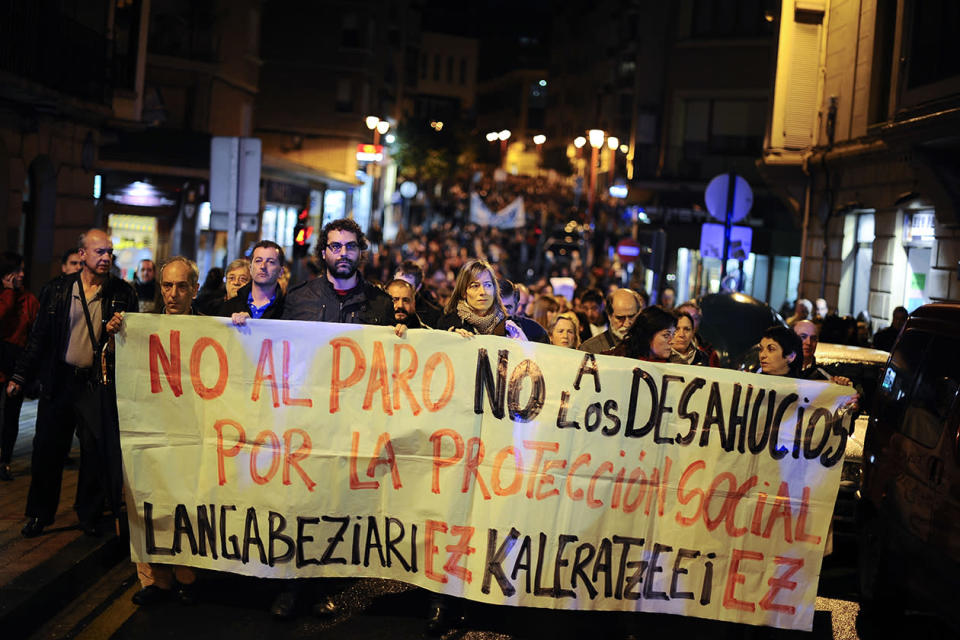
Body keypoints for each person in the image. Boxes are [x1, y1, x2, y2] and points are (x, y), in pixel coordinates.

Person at [277, 218, 394, 619]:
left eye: (349, 246)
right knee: (299, 502)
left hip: (356, 425)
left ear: (361, 251)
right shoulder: (298, 299)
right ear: (323, 253)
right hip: (306, 421)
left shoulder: (380, 304)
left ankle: (325, 585)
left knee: (338, 507)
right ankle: (292, 587)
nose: (342, 253)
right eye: (334, 247)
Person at [9, 229, 136, 538]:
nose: (106, 257)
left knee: (93, 451)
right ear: (82, 255)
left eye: (109, 252)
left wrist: (120, 329)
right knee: (47, 451)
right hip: (60, 380)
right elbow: (39, 338)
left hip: (96, 383)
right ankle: (40, 515)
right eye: (99, 252)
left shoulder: (122, 293)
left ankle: (89, 514)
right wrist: (20, 376)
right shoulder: (57, 290)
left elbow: (134, 342)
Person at [131, 257, 200, 605]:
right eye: (167, 286)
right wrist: (118, 335)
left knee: (185, 507)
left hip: (192, 436)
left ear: (194, 290)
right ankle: (155, 582)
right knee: (151, 505)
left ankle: (188, 577)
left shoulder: (212, 330)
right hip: (154, 434)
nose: (173, 294)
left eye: (182, 286)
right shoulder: (145, 329)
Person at [0, 252, 39, 480]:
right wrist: (7, 293)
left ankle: (5, 460)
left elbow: (34, 336)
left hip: (16, 367)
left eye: (23, 270)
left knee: (11, 416)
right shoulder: (6, 297)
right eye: (17, 270)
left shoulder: (30, 300)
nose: (22, 275)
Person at [436, 259, 526, 339]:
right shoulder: (448, 324)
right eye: (475, 286)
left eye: (488, 285)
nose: (483, 292)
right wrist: (451, 339)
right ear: (464, 292)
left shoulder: (510, 326)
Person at [220, 241, 286, 322]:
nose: (263, 266)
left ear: (281, 272)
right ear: (250, 268)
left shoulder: (288, 310)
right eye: (258, 261)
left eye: (271, 262)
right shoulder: (229, 307)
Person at [580, 288, 640, 354]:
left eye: (631, 317)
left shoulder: (649, 346)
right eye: (620, 318)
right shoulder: (590, 348)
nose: (626, 324)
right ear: (609, 316)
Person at [793, 320, 853, 385]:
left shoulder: (827, 376)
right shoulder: (781, 371)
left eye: (813, 338)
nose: (809, 342)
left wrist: (843, 385)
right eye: (803, 337)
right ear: (792, 339)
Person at [611, 306, 676, 361]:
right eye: (666, 335)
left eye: (673, 334)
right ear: (648, 335)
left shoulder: (676, 364)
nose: (672, 341)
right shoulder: (617, 359)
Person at [395, 260, 442, 327]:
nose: (400, 290)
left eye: (407, 286)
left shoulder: (433, 315)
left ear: (418, 287)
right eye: (397, 283)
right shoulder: (384, 305)